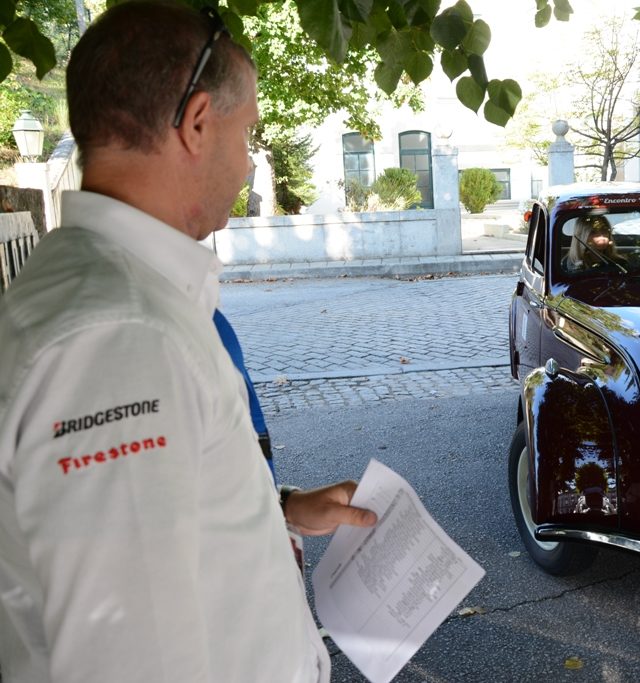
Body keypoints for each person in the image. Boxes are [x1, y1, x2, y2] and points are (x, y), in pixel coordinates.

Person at [0, 3, 375, 681]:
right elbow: (128, 659)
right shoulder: (120, 338)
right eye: (247, 134)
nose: (247, 162)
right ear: (198, 123)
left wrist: (277, 508)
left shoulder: (105, 290)